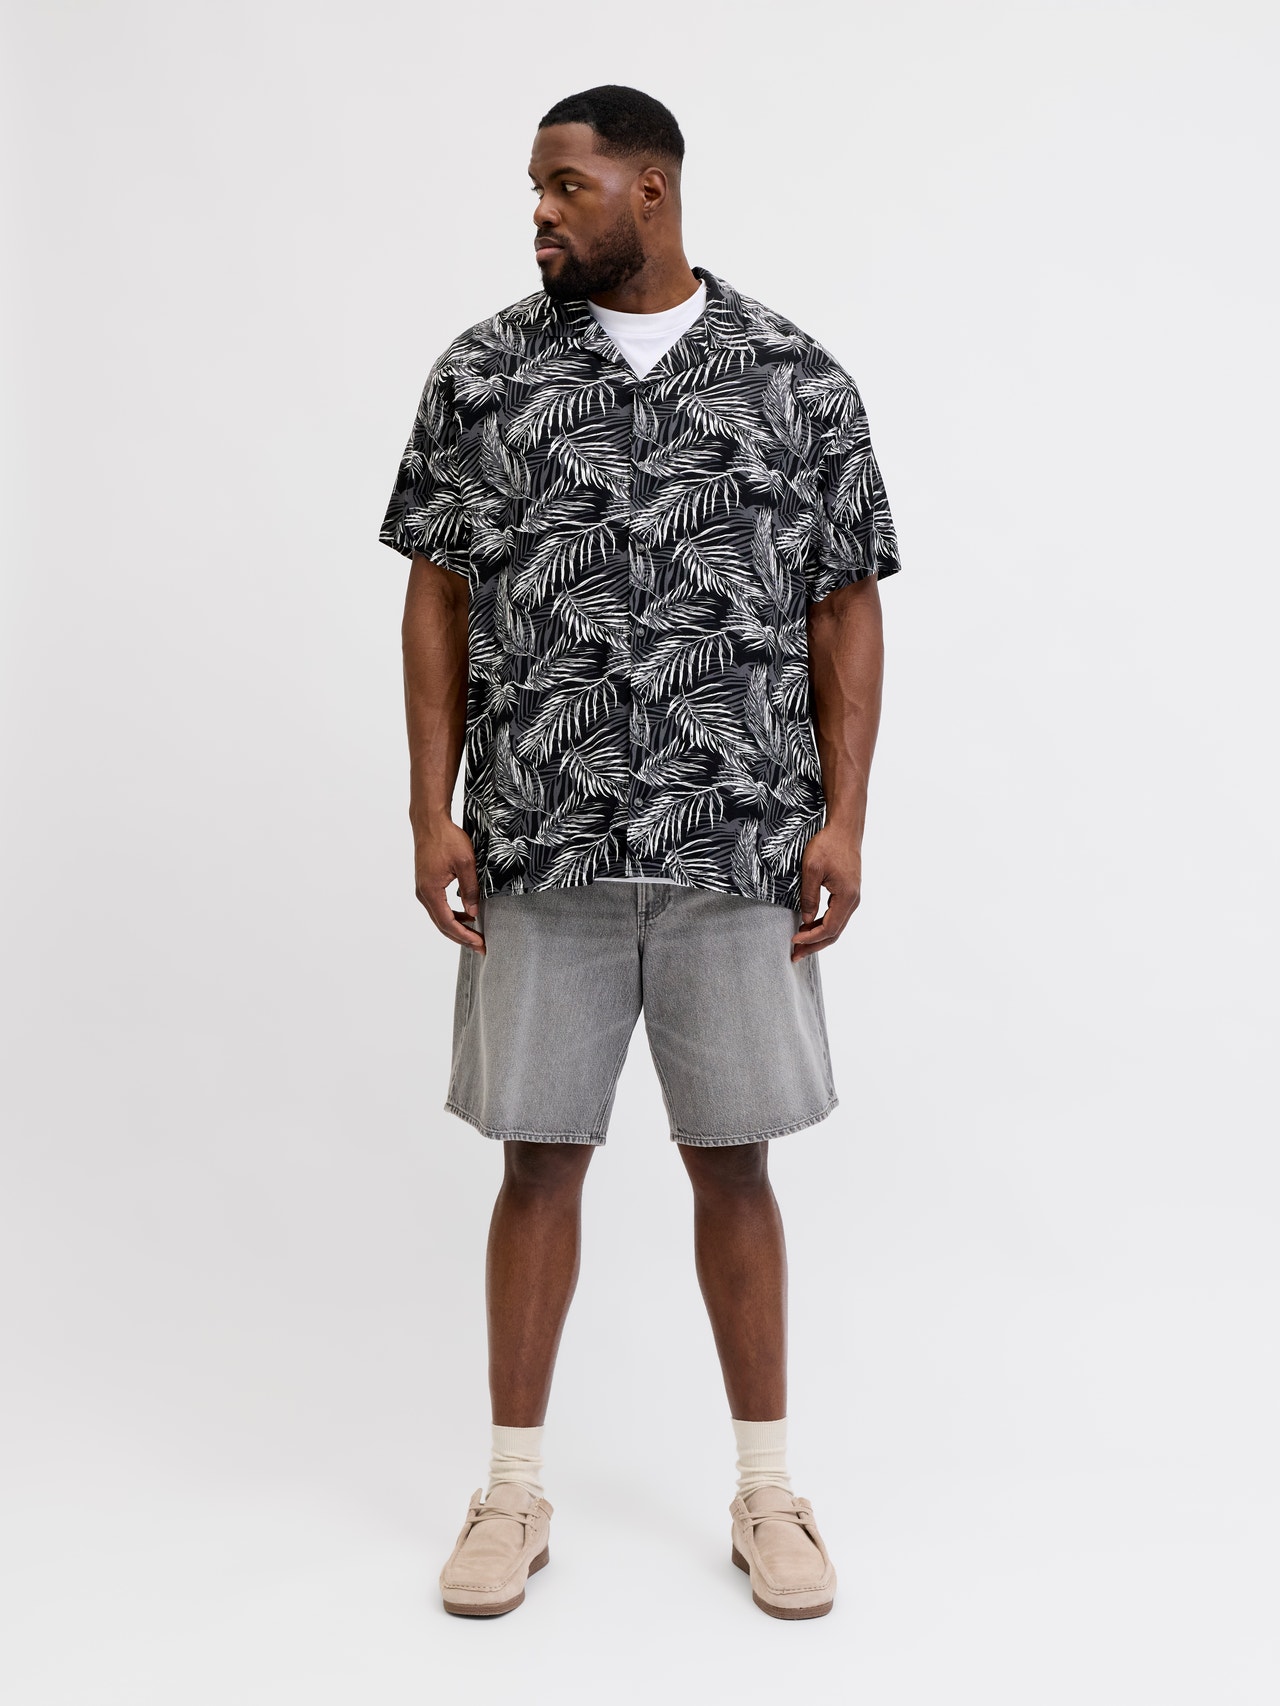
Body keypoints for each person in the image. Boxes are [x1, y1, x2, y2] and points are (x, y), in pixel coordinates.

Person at [378, 84, 901, 1621]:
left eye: (566, 185)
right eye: (537, 187)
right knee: (538, 1156)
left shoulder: (794, 379)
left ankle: (768, 1491)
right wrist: (429, 805)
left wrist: (846, 815)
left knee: (734, 1162)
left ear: (650, 193)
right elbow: (437, 595)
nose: (540, 211)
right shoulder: (484, 375)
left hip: (739, 838)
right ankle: (511, 1493)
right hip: (541, 834)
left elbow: (845, 605)